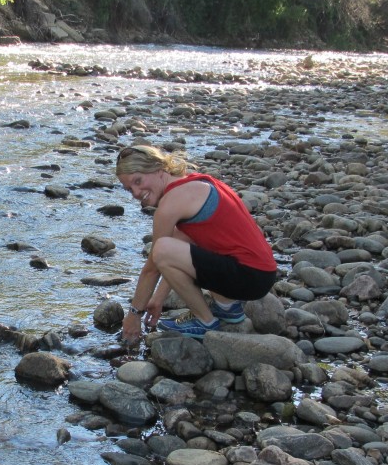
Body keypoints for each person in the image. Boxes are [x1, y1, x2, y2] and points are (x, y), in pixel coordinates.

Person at [115, 144, 276, 341]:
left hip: (249, 276)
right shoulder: (194, 183)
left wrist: (133, 315)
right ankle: (227, 308)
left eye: (138, 181)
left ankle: (205, 321)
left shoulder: (171, 203)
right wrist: (158, 300)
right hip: (260, 274)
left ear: (157, 169)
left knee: (161, 249)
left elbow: (154, 266)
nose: (136, 193)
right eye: (129, 189)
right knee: (171, 244)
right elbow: (180, 252)